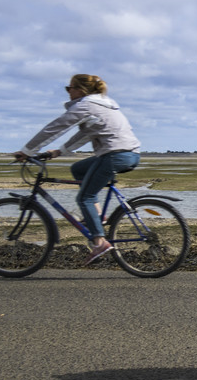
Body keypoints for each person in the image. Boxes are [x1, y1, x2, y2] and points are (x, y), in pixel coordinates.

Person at [14, 74, 142, 264]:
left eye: (69, 88)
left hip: (114, 155)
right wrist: (59, 151)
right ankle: (98, 216)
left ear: (81, 90)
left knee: (84, 197)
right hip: (130, 154)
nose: (68, 91)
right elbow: (85, 134)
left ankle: (99, 242)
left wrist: (28, 150)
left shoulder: (86, 105)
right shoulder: (103, 104)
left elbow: (55, 127)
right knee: (79, 169)